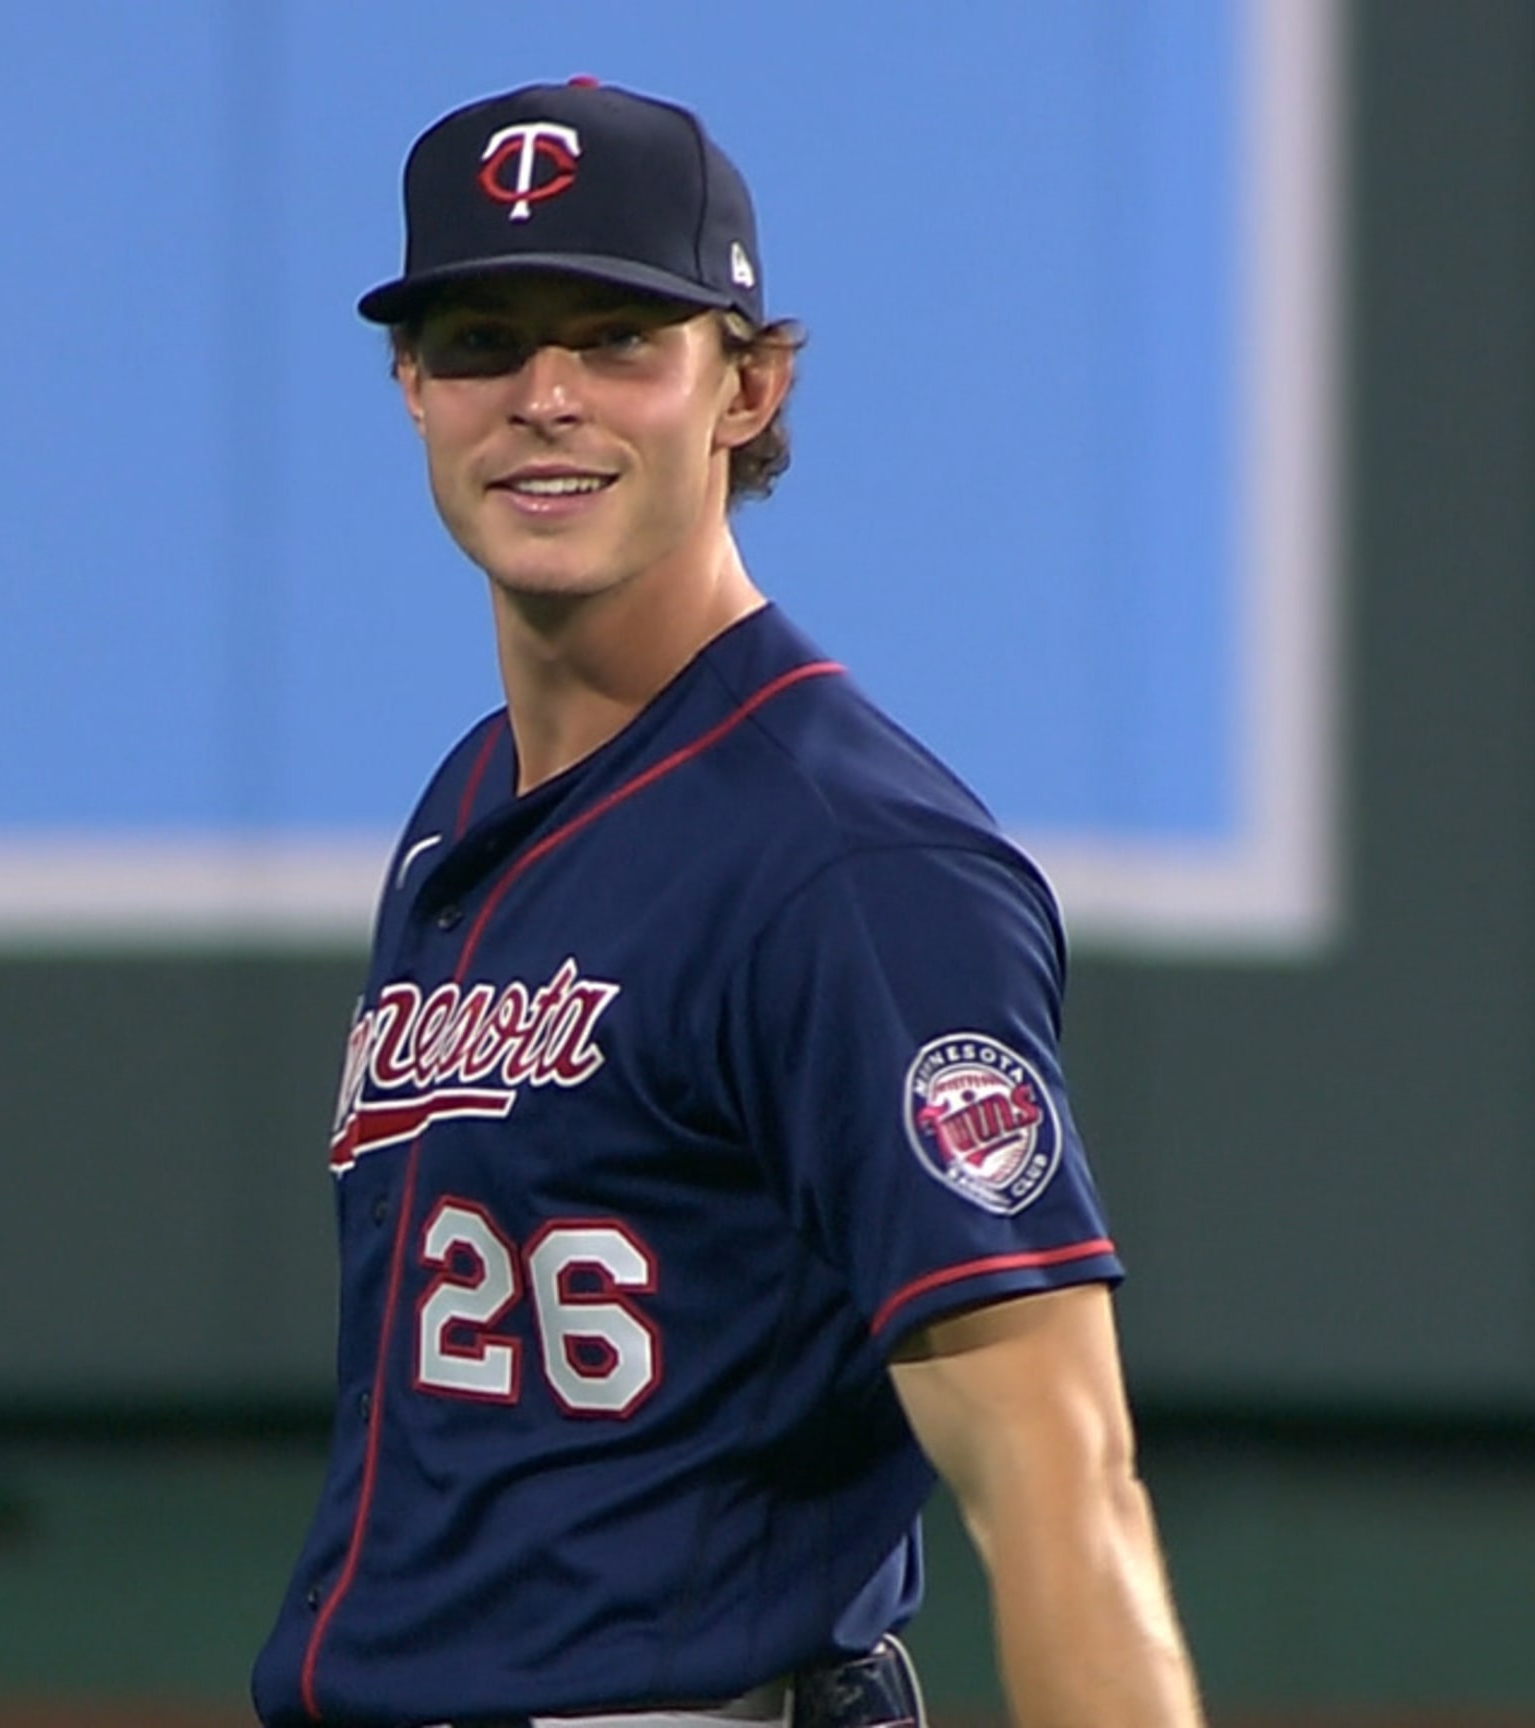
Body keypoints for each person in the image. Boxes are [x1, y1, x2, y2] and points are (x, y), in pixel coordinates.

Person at [252, 77, 1205, 1728]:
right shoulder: (466, 809)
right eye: (480, 338)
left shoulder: (852, 868)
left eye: (620, 337)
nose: (544, 395)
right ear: (411, 385)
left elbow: (1065, 1479)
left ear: (746, 388)